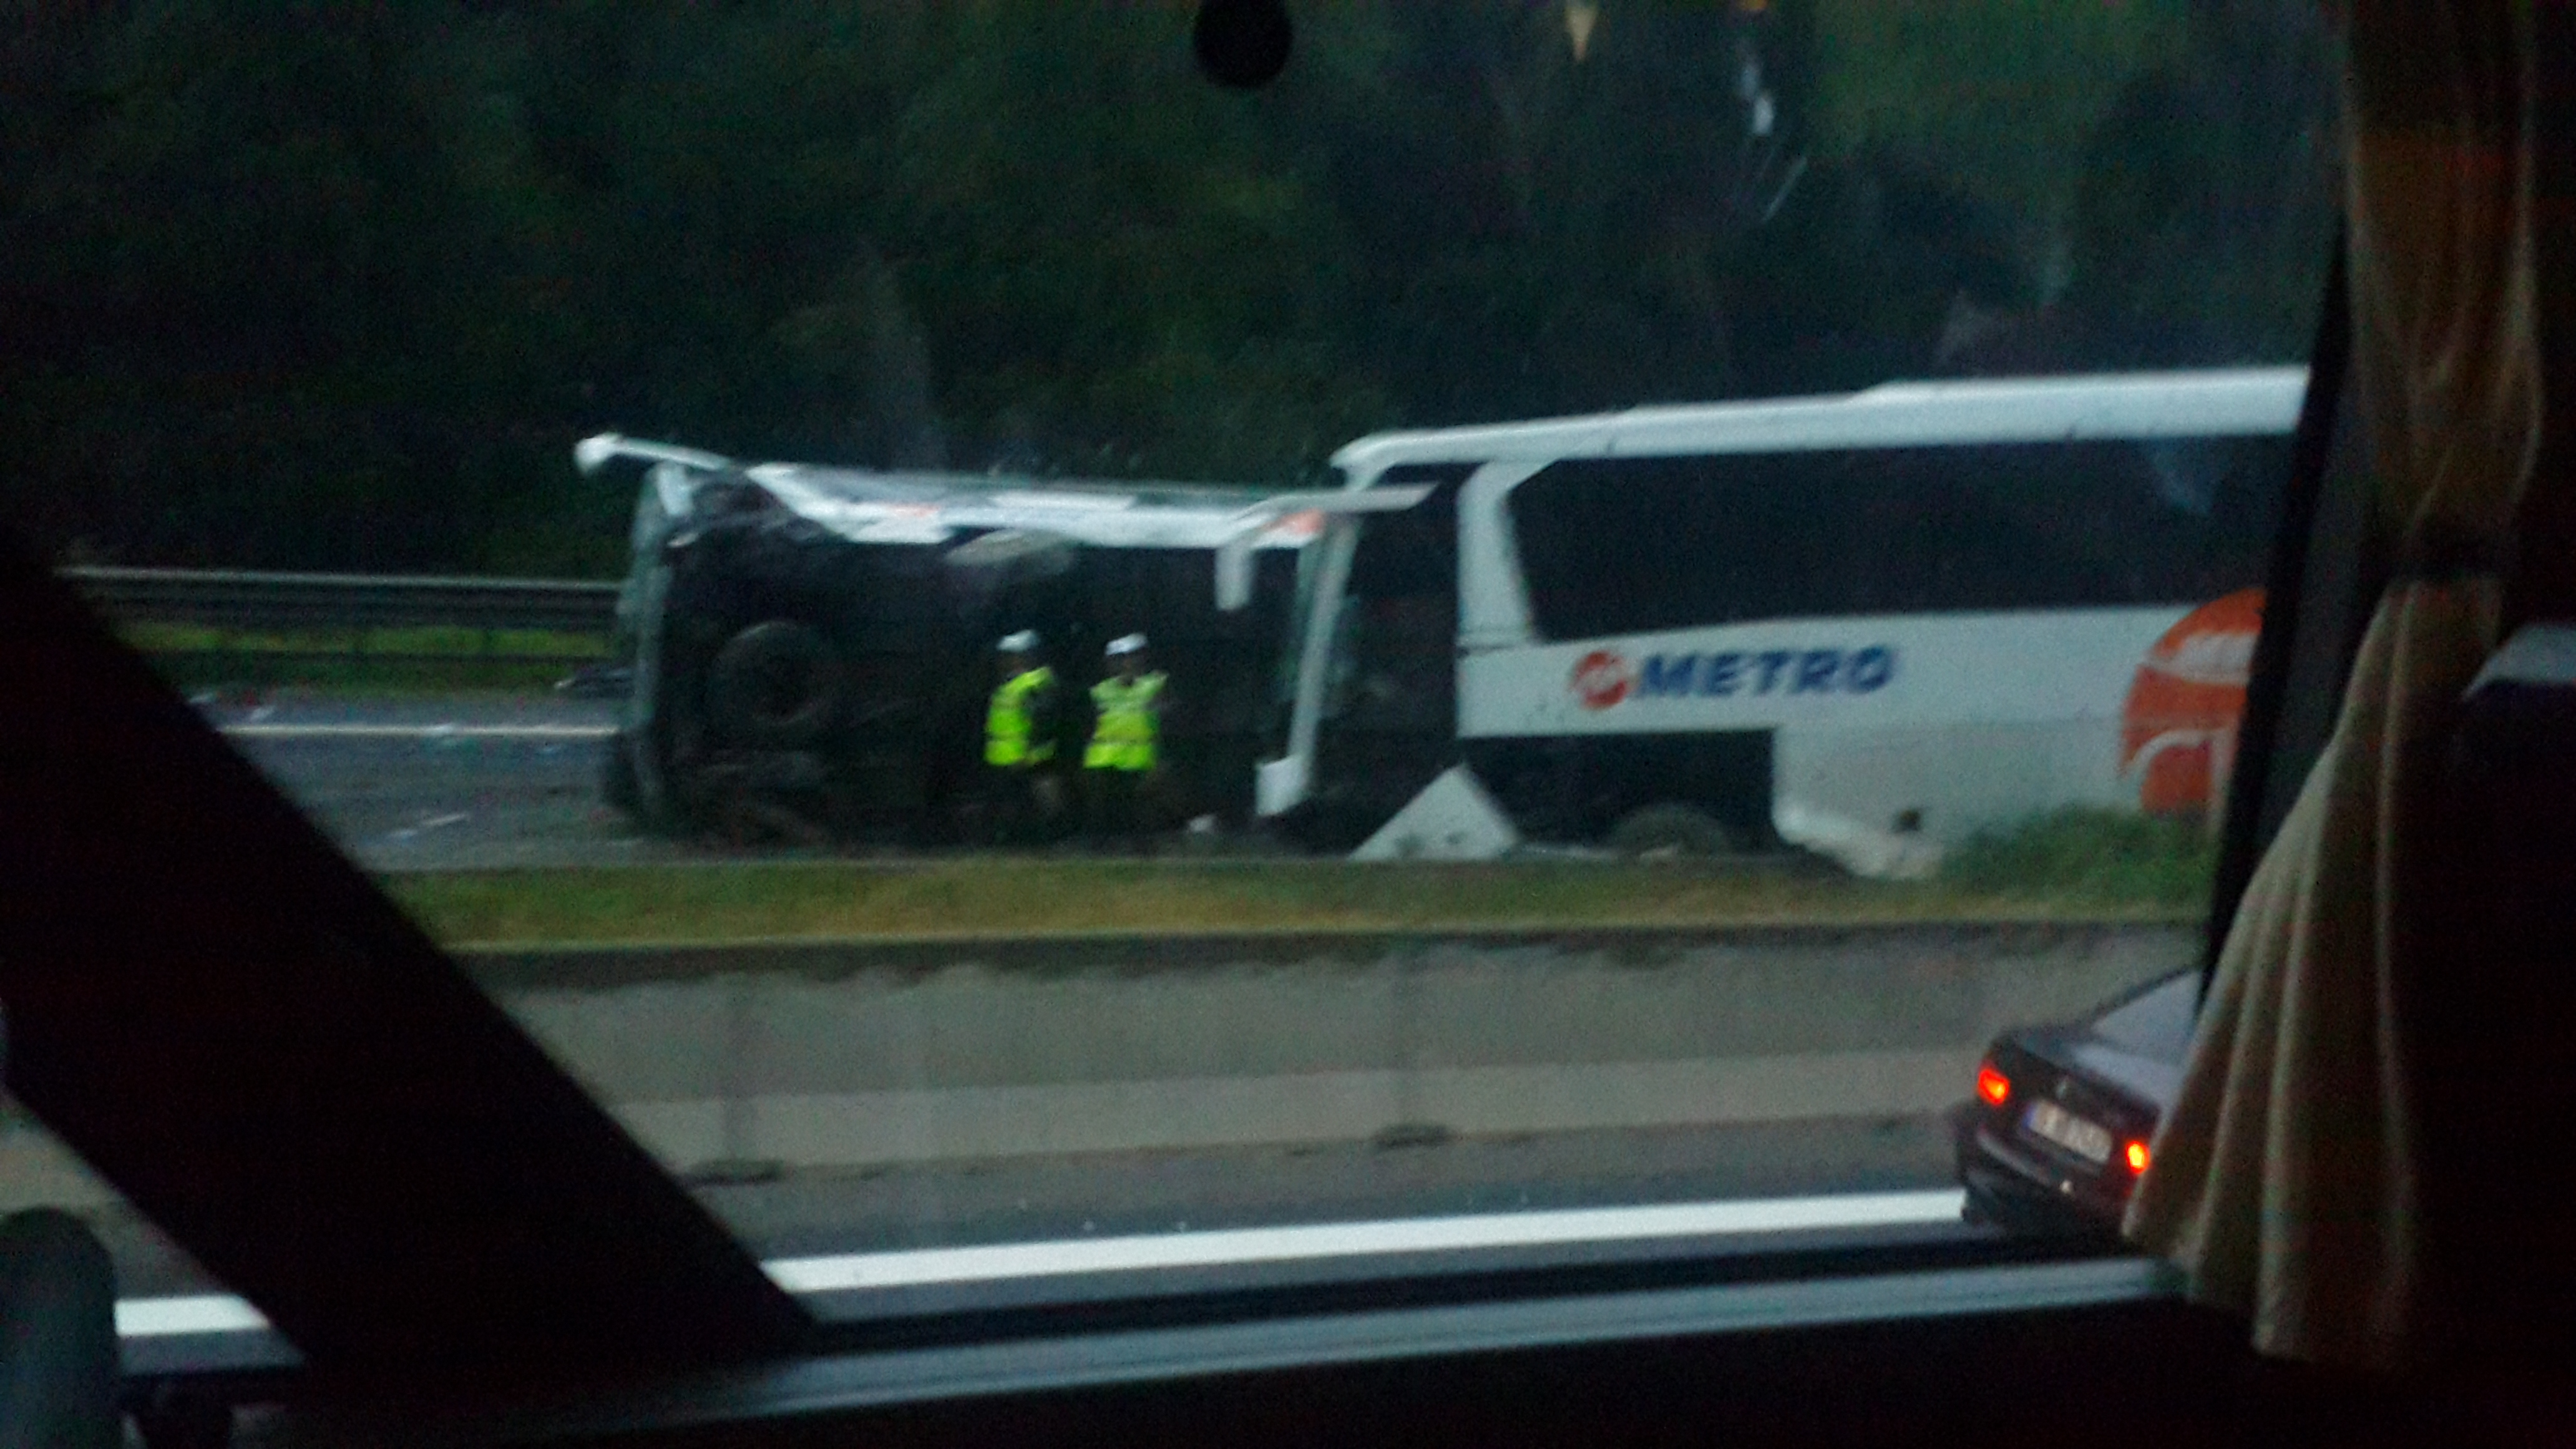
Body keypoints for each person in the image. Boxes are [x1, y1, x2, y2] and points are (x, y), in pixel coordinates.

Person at [1083, 633, 1166, 853]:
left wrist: (1160, 759)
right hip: (1104, 757)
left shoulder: (1155, 686)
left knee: (1141, 805)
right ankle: (1101, 846)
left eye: (1129, 658)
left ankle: (1144, 847)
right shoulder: (1101, 691)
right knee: (1103, 806)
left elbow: (1164, 722)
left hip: (1139, 756)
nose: (1124, 665)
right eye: (1118, 660)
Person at [982, 630, 1061, 846]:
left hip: (1028, 757)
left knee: (1037, 800)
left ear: (1027, 656)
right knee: (1012, 803)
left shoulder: (1034, 684)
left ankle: (1042, 840)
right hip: (1003, 756)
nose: (1004, 661)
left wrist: (1029, 753)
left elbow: (1043, 722)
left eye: (1010, 655)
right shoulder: (1009, 684)